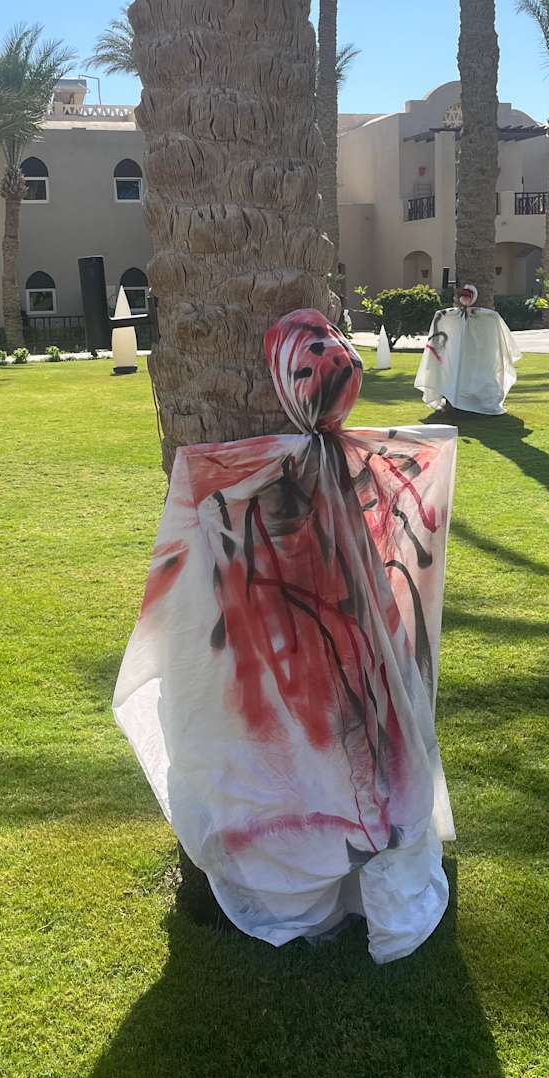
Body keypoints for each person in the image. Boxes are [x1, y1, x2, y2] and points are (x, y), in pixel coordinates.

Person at [114, 310, 457, 963]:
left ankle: (310, 893)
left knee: (297, 753)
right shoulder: (359, 456)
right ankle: (361, 884)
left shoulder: (231, 470)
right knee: (344, 747)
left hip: (277, 646)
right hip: (344, 640)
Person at [415, 283, 520, 416]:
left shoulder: (486, 316)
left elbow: (492, 322)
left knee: (474, 374)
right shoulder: (454, 315)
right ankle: (455, 403)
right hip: (459, 354)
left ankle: (469, 404)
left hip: (476, 354)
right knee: (457, 372)